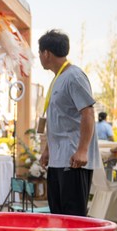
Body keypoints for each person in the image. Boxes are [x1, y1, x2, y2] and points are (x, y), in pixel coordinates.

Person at [38, 30, 99, 216]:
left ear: (46, 53)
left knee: (73, 216)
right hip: (58, 158)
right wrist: (48, 149)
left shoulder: (74, 76)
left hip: (74, 160)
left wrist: (82, 150)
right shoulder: (58, 79)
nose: (39, 57)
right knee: (57, 214)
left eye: (40, 53)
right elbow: (59, 119)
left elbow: (88, 112)